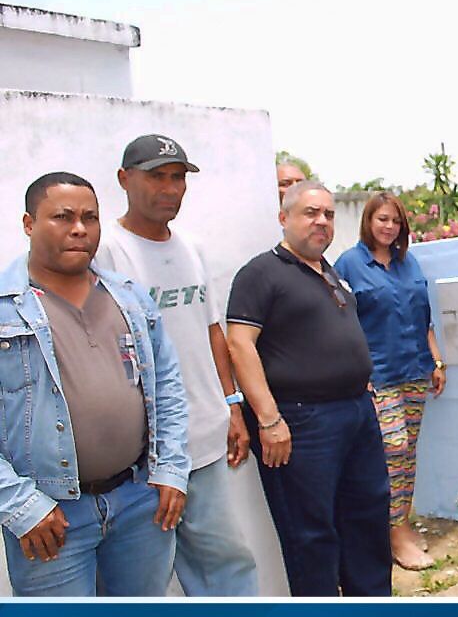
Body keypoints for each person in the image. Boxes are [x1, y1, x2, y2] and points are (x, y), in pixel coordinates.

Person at [0, 172, 190, 596]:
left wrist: (171, 469)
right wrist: (20, 505)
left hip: (140, 503)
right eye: (62, 217)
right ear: (29, 224)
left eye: (90, 217)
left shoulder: (129, 298)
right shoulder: (6, 310)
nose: (79, 229)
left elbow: (168, 388)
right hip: (50, 517)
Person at [93, 134, 259, 596]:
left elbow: (211, 330)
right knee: (143, 580)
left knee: (226, 561)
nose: (169, 189)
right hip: (140, 455)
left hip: (203, 438)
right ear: (124, 179)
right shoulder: (104, 251)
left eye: (178, 178)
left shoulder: (192, 247)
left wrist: (231, 404)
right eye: (157, 177)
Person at [226, 180, 391, 596]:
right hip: (301, 422)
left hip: (355, 413)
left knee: (367, 521)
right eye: (311, 213)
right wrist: (268, 419)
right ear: (284, 218)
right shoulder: (261, 273)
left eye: (329, 214)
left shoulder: (329, 272)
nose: (322, 221)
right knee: (311, 537)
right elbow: (239, 345)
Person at [334, 192, 446, 571]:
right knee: (393, 450)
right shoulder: (349, 264)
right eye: (382, 219)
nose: (389, 226)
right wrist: (355, 371)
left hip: (415, 370)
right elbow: (339, 324)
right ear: (368, 221)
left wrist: (436, 360)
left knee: (408, 453)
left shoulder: (407, 261)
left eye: (395, 221)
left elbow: (423, 317)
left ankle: (401, 524)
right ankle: (393, 535)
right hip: (377, 377)